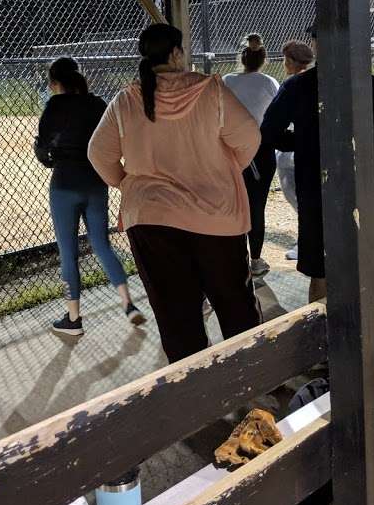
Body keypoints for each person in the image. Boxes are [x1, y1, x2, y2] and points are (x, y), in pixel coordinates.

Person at [88, 23, 262, 363]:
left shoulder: (126, 99)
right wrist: (222, 170)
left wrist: (126, 183)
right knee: (235, 305)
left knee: (176, 314)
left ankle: (195, 393)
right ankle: (251, 381)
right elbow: (249, 138)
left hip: (151, 218)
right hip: (216, 217)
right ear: (177, 53)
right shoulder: (211, 90)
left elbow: (99, 153)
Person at [261, 36, 374, 304]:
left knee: (320, 268)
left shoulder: (298, 86)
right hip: (363, 178)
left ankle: (321, 334)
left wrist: (307, 142)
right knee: (371, 258)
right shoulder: (365, 83)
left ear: (316, 45)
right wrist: (364, 143)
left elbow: (268, 132)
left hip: (315, 182)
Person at [35, 57, 145, 336]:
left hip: (64, 184)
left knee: (68, 253)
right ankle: (128, 304)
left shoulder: (53, 107)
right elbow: (111, 142)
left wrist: (54, 159)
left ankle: (73, 319)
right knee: (102, 244)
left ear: (56, 84)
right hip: (96, 182)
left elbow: (43, 151)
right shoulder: (96, 104)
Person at [222, 34, 280, 278]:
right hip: (260, 149)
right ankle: (255, 260)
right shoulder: (269, 83)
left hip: (230, 150)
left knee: (232, 205)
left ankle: (234, 259)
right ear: (263, 59)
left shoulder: (227, 80)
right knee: (257, 206)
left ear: (242, 57)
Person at [274, 39, 316, 262]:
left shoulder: (291, 85)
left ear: (289, 61)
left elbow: (273, 125)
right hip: (307, 149)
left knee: (299, 200)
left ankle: (306, 243)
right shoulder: (313, 81)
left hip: (292, 152)